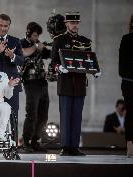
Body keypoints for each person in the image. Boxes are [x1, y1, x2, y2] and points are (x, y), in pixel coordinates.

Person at [50, 12, 101, 156]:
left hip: (79, 83)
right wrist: (59, 68)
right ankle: (65, 147)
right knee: (66, 115)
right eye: (72, 23)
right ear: (66, 24)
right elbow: (54, 61)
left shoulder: (85, 41)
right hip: (65, 83)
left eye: (77, 22)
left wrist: (95, 70)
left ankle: (74, 146)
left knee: (77, 116)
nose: (74, 25)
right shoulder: (59, 40)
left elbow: (89, 60)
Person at [20, 22, 51, 152]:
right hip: (30, 82)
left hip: (42, 82)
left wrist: (54, 46)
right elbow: (22, 53)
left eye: (37, 35)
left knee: (43, 115)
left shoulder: (38, 44)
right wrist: (36, 46)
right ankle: (26, 141)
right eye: (34, 35)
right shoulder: (22, 43)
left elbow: (49, 54)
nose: (36, 37)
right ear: (28, 33)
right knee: (31, 113)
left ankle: (35, 141)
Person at [119, 14, 133, 157]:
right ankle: (130, 145)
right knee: (131, 113)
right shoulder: (127, 39)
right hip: (129, 83)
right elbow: (121, 66)